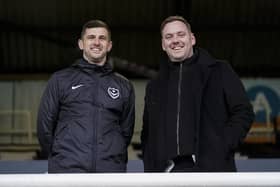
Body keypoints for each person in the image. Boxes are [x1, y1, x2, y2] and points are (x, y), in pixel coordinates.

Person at [141, 16, 254, 172]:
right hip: (166, 175)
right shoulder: (154, 85)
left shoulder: (219, 71)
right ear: (163, 44)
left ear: (192, 39)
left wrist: (221, 146)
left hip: (212, 170)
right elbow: (148, 133)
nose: (175, 40)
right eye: (169, 36)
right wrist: (151, 168)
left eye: (181, 34)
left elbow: (243, 112)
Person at [37, 20, 135, 173]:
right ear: (81, 44)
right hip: (68, 170)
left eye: (102, 38)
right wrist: (62, 157)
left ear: (109, 45)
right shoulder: (60, 80)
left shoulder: (123, 85)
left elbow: (126, 131)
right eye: (91, 37)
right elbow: (45, 127)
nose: (97, 42)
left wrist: (112, 155)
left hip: (110, 171)